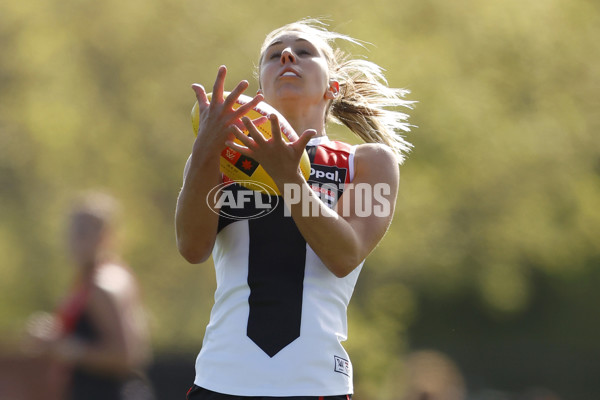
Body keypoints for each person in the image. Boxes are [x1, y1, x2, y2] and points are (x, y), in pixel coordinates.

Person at [175, 18, 414, 400]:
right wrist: (203, 150)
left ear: (332, 87)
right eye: (274, 55)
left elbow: (343, 255)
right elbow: (191, 247)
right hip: (221, 379)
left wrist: (289, 179)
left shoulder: (368, 162)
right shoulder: (219, 159)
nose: (287, 56)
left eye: (304, 52)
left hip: (315, 383)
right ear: (260, 92)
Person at [23, 191, 154, 400]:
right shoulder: (90, 279)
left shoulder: (105, 284)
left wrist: (64, 348)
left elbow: (127, 356)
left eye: (83, 232)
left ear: (107, 236)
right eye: (72, 231)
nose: (74, 240)